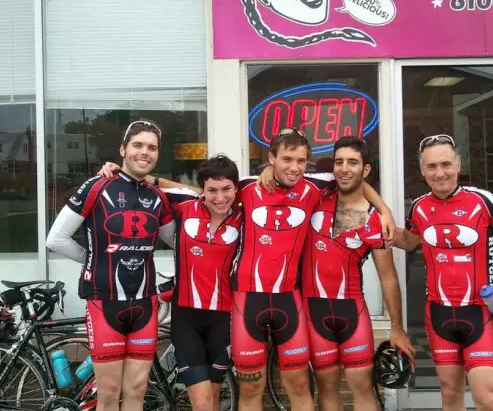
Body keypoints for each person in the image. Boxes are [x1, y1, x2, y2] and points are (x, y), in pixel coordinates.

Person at [103, 128, 396, 411]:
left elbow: (353, 181)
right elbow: (201, 191)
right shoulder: (245, 186)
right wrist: (136, 175)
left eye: (300, 161)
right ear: (271, 158)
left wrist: (383, 209)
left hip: (288, 302)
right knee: (251, 388)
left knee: (298, 386)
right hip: (246, 304)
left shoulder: (313, 187)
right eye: (286, 159)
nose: (294, 167)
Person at [389, 134, 493, 411]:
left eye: (446, 164)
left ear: (458, 165)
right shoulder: (419, 207)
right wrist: (378, 226)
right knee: (450, 395)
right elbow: (409, 241)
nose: (440, 173)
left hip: (480, 313)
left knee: (486, 399)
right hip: (439, 314)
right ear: (423, 170)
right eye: (431, 167)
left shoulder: (481, 201)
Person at [46, 119, 172, 411]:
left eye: (152, 147)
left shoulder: (158, 197)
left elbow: (180, 242)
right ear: (123, 150)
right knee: (108, 394)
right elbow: (56, 238)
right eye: (138, 145)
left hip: (145, 304)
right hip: (104, 302)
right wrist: (91, 258)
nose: (145, 152)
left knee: (137, 391)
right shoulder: (98, 186)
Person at [102, 155, 243, 411]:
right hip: (186, 318)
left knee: (212, 398)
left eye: (226, 189)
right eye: (211, 190)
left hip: (224, 319)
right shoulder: (186, 204)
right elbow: (156, 187)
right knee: (200, 403)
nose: (220, 197)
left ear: (236, 188)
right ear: (202, 190)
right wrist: (122, 171)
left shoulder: (244, 214)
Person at [298, 137, 415, 410]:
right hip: (313, 312)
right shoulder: (315, 198)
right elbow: (284, 175)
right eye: (339, 162)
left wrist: (397, 327)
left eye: (353, 162)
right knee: (326, 389)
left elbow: (388, 277)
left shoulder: (376, 220)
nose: (344, 168)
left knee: (362, 388)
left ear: (366, 169)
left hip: (353, 313)